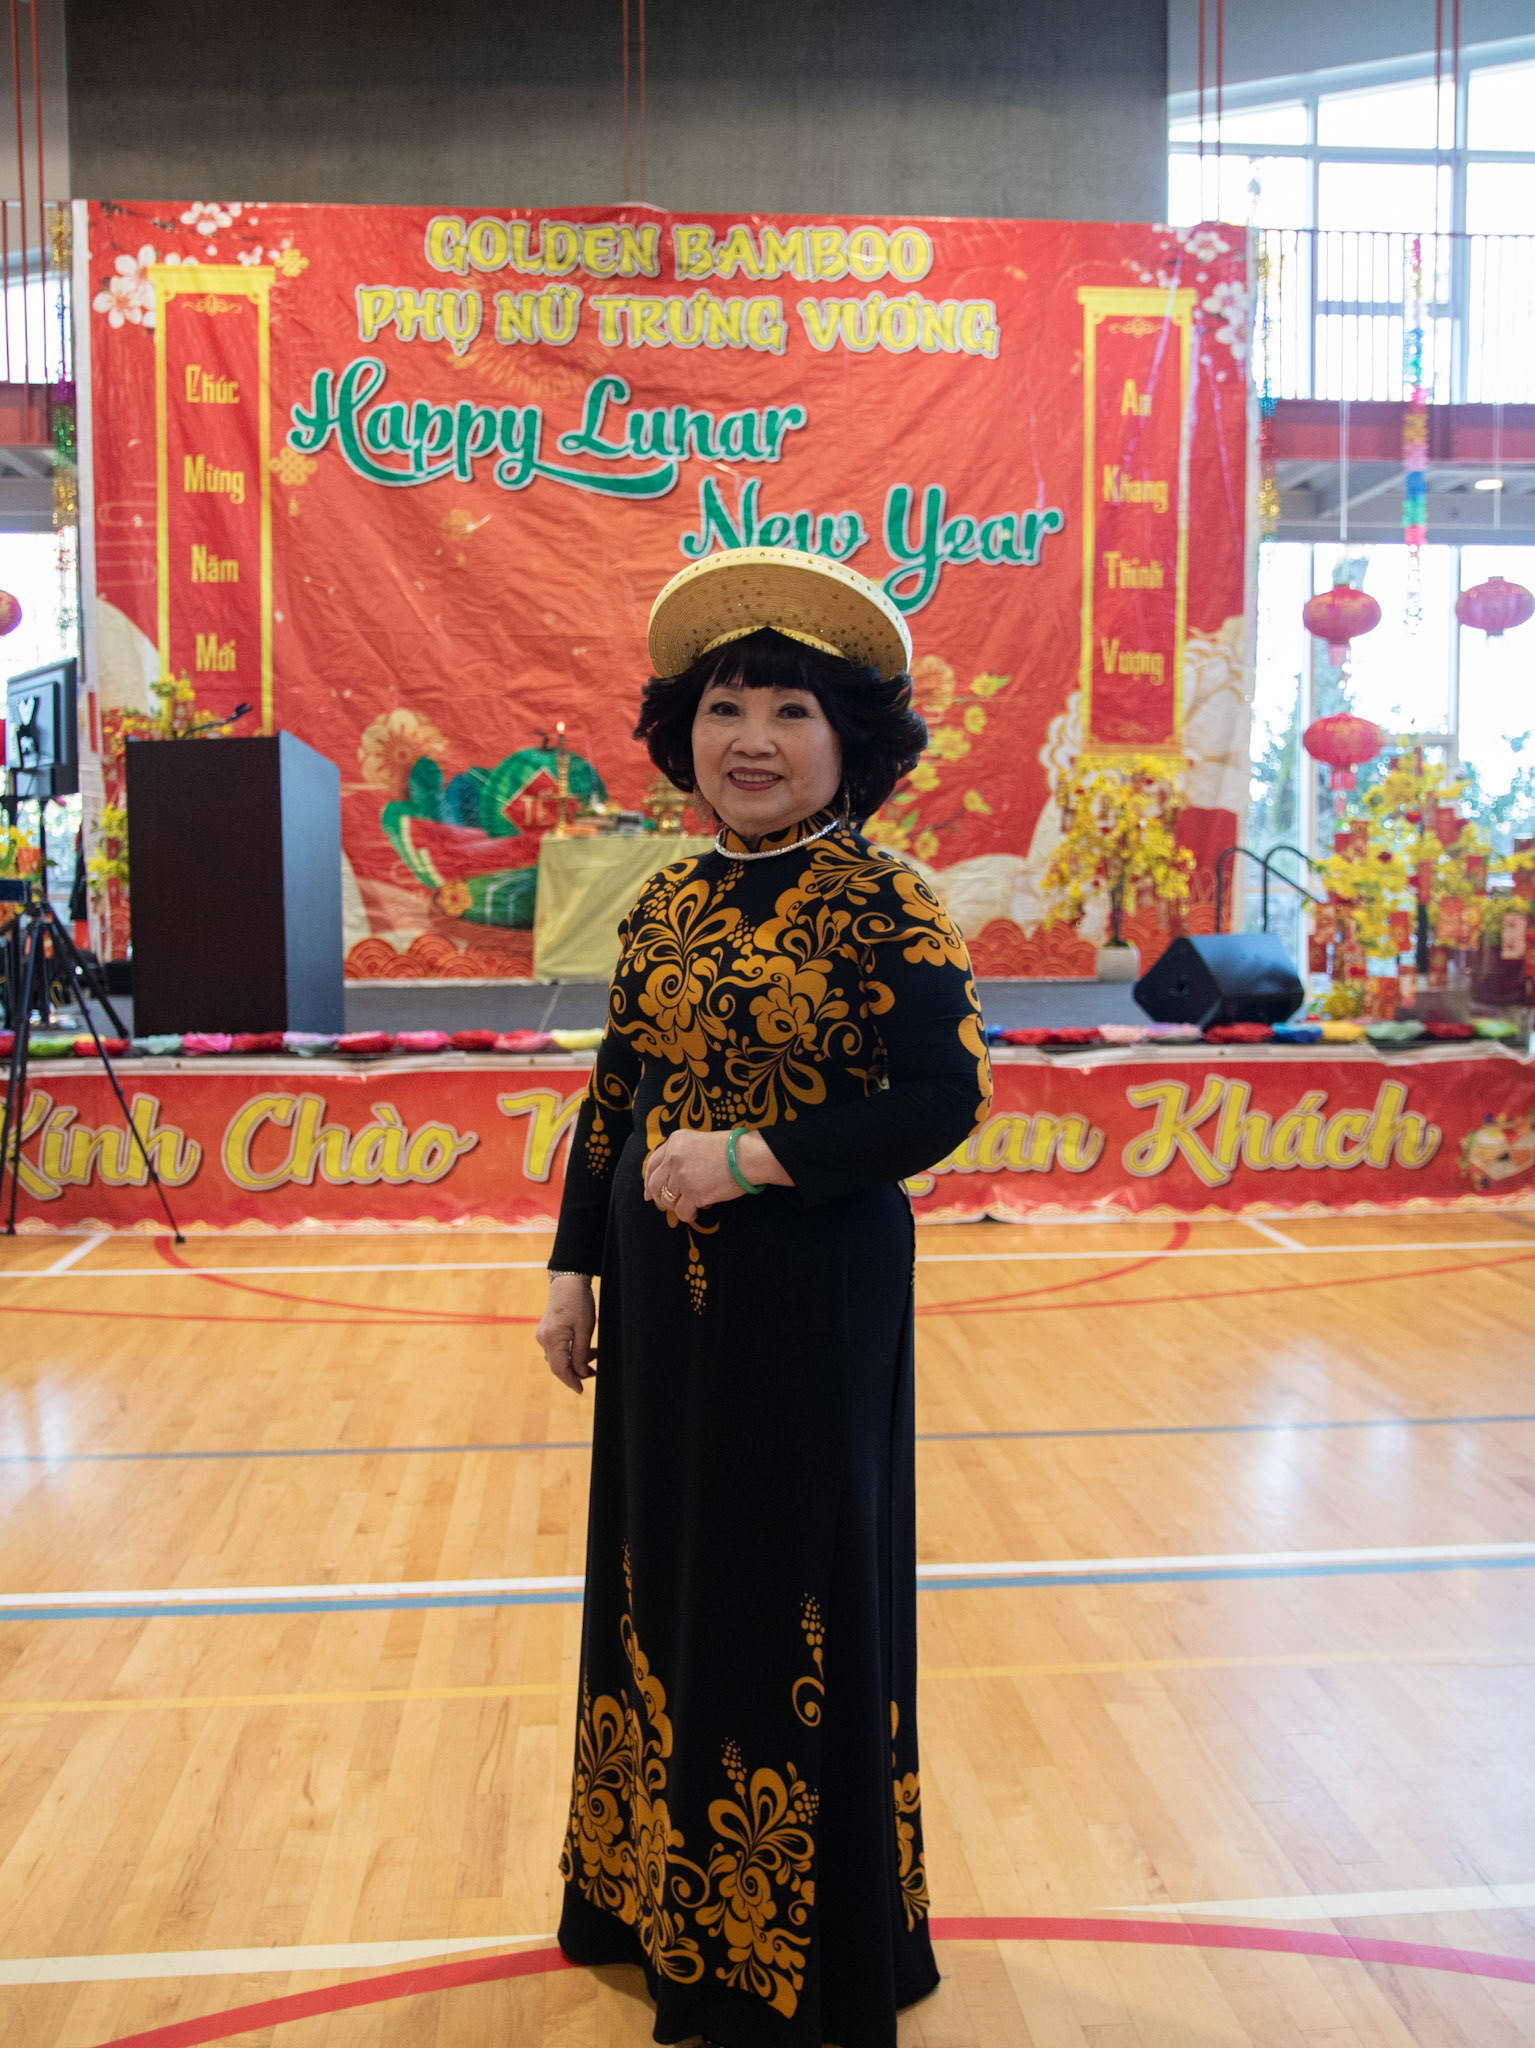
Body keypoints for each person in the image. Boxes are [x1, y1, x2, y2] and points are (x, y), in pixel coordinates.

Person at [536, 546, 991, 2048]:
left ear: (849, 741)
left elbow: (942, 1099)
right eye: (727, 707)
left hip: (810, 1303)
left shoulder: (886, 902)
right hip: (660, 1315)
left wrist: (755, 1158)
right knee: (658, 1575)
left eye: (792, 711)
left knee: (780, 1589)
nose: (753, 739)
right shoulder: (667, 899)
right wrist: (572, 1268)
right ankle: (650, 1901)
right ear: (685, 734)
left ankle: (782, 1951)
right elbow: (617, 1094)